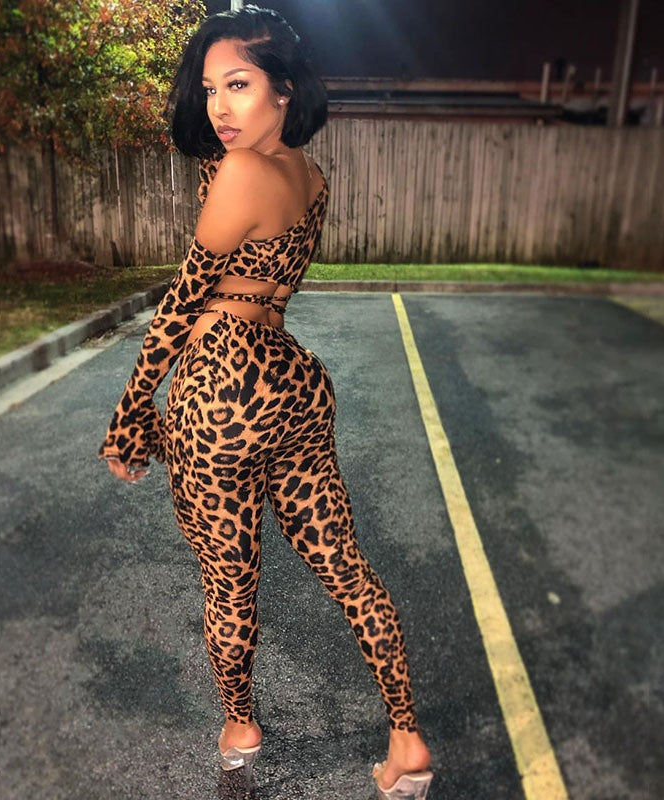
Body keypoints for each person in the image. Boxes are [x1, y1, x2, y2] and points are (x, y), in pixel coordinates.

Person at [98, 7, 432, 798]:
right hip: (290, 384)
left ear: (285, 88)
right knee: (345, 568)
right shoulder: (310, 178)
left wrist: (129, 413)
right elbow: (258, 258)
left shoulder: (242, 174)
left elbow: (182, 306)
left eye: (239, 84)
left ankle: (242, 727)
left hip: (218, 389)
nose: (219, 105)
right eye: (211, 87)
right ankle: (406, 737)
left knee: (229, 585)